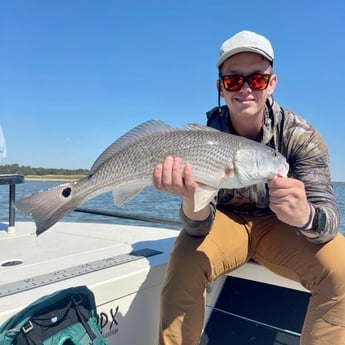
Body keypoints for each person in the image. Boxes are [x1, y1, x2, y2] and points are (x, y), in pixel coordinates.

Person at [153, 30, 345, 345]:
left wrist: (305, 216)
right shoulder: (202, 139)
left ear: (271, 84)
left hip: (280, 226)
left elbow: (329, 219)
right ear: (220, 87)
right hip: (225, 223)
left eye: (256, 80)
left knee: (342, 267)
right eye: (232, 81)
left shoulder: (301, 137)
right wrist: (191, 200)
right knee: (184, 264)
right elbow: (197, 227)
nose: (245, 89)